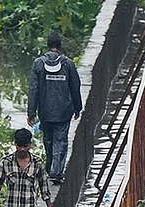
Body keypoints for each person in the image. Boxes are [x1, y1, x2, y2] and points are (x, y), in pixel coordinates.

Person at [27, 32, 83, 185]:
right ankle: (56, 172)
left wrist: (31, 112)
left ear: (47, 45)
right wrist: (78, 108)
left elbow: (33, 89)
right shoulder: (68, 64)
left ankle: (50, 168)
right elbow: (75, 87)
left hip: (45, 111)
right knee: (60, 141)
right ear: (59, 46)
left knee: (48, 141)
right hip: (63, 111)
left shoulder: (38, 64)